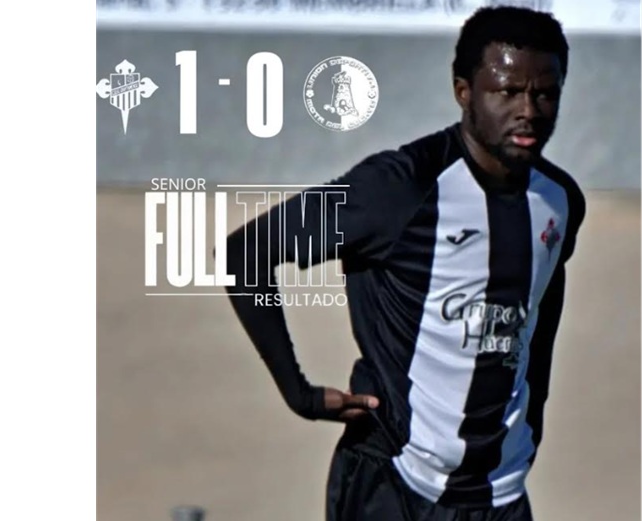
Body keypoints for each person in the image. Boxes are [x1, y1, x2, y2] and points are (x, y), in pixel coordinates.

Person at [223, 6, 587, 520]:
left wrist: (534, 420)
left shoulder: (558, 200)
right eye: (506, 91)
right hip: (395, 486)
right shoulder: (399, 187)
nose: (528, 109)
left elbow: (541, 310)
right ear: (464, 91)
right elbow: (246, 251)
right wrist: (297, 391)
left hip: (500, 494)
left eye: (545, 93)